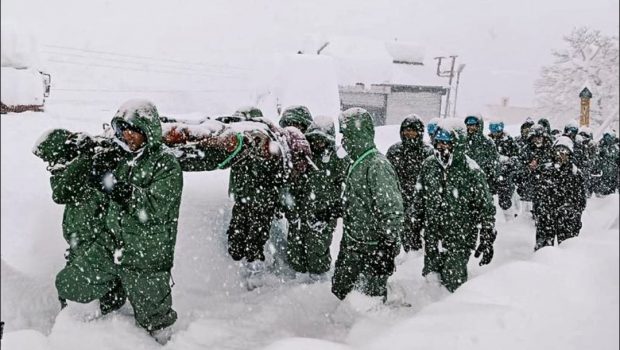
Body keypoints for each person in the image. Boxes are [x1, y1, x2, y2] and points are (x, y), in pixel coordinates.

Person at [55, 100, 183, 344]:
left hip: (146, 256)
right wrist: (93, 165)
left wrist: (114, 186)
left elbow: (155, 207)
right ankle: (102, 306)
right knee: (70, 284)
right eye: (122, 129)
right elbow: (73, 193)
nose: (126, 135)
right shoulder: (120, 157)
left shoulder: (166, 164)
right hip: (110, 245)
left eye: (132, 129)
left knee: (156, 323)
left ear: (147, 131)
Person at [33, 129, 124, 312]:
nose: (51, 166)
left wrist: (85, 158)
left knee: (78, 293)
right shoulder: (75, 173)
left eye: (53, 160)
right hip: (82, 249)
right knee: (70, 294)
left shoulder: (87, 172)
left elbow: (61, 193)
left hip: (98, 252)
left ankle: (105, 327)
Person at [410, 124, 497, 292]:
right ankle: (428, 315)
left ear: (457, 144)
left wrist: (487, 233)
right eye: (439, 142)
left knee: (453, 280)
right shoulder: (429, 165)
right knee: (431, 278)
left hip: (460, 235)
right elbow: (419, 198)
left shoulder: (471, 170)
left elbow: (485, 205)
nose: (442, 146)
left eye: (447, 142)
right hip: (433, 234)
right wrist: (414, 224)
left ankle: (453, 312)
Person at [331, 107, 403, 301]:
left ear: (360, 133)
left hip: (373, 249)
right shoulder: (356, 162)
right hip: (353, 244)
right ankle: (342, 329)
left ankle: (372, 330)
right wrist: (337, 208)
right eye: (343, 135)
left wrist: (386, 248)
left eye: (347, 134)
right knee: (342, 291)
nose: (344, 140)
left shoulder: (377, 165)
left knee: (368, 301)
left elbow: (392, 211)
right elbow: (359, 198)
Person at [286, 117, 347, 279]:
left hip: (323, 215)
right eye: (314, 139)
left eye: (322, 140)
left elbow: (346, 188)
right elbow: (290, 184)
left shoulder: (337, 159)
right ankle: (296, 283)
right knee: (295, 249)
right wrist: (290, 207)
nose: (318, 143)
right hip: (299, 212)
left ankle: (317, 283)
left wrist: (334, 210)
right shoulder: (302, 156)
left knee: (317, 250)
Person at [386, 114, 433, 251]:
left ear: (420, 132)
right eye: (406, 130)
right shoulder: (394, 151)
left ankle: (412, 261)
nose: (409, 133)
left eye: (413, 130)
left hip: (419, 200)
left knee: (415, 237)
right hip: (397, 199)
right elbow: (388, 176)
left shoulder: (427, 152)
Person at [533, 136, 586, 250]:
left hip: (568, 218)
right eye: (558, 151)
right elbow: (537, 194)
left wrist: (574, 216)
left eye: (564, 152)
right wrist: (540, 212)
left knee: (568, 250)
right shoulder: (545, 170)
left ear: (569, 155)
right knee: (543, 251)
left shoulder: (575, 174)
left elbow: (581, 201)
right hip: (546, 216)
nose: (560, 155)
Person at [515, 124, 554, 204]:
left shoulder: (549, 149)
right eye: (535, 137)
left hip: (546, 188)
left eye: (540, 137)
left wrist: (540, 166)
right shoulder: (525, 150)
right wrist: (528, 168)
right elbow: (519, 167)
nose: (538, 140)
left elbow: (553, 165)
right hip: (527, 187)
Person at [463, 115, 500, 195]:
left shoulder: (487, 142)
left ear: (479, 125)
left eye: (473, 125)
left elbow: (494, 164)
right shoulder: (462, 141)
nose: (470, 128)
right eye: (468, 125)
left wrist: (492, 181)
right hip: (465, 181)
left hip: (482, 181)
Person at [488, 121, 520, 211]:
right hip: (491, 172)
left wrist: (508, 162)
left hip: (506, 173)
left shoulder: (509, 141)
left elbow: (516, 156)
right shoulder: (488, 141)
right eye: (493, 131)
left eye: (497, 131)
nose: (495, 134)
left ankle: (508, 214)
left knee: (505, 196)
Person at [592, 131, 619, 196]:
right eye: (607, 138)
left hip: (612, 174)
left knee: (611, 195)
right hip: (603, 174)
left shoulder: (616, 148)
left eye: (609, 138)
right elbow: (596, 160)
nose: (608, 140)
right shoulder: (601, 147)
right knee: (602, 195)